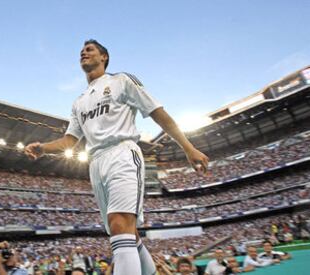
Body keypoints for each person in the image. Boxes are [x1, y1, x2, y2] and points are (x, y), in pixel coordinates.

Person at [25, 39, 209, 275]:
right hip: (96, 163)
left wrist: (188, 147)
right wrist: (43, 148)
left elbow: (158, 113)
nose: (83, 52)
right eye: (81, 51)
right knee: (125, 233)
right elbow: (70, 141)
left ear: (104, 57)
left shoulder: (121, 81)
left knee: (120, 224)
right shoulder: (79, 102)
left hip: (122, 153)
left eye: (89, 49)